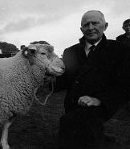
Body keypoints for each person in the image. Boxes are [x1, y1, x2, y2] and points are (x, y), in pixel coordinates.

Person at [56, 10, 130, 149]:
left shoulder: (120, 50)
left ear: (105, 26)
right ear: (81, 29)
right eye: (86, 25)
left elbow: (124, 84)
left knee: (73, 125)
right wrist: (46, 78)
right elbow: (63, 81)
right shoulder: (70, 52)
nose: (90, 28)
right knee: (77, 130)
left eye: (95, 23)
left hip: (101, 105)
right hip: (72, 104)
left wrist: (98, 100)